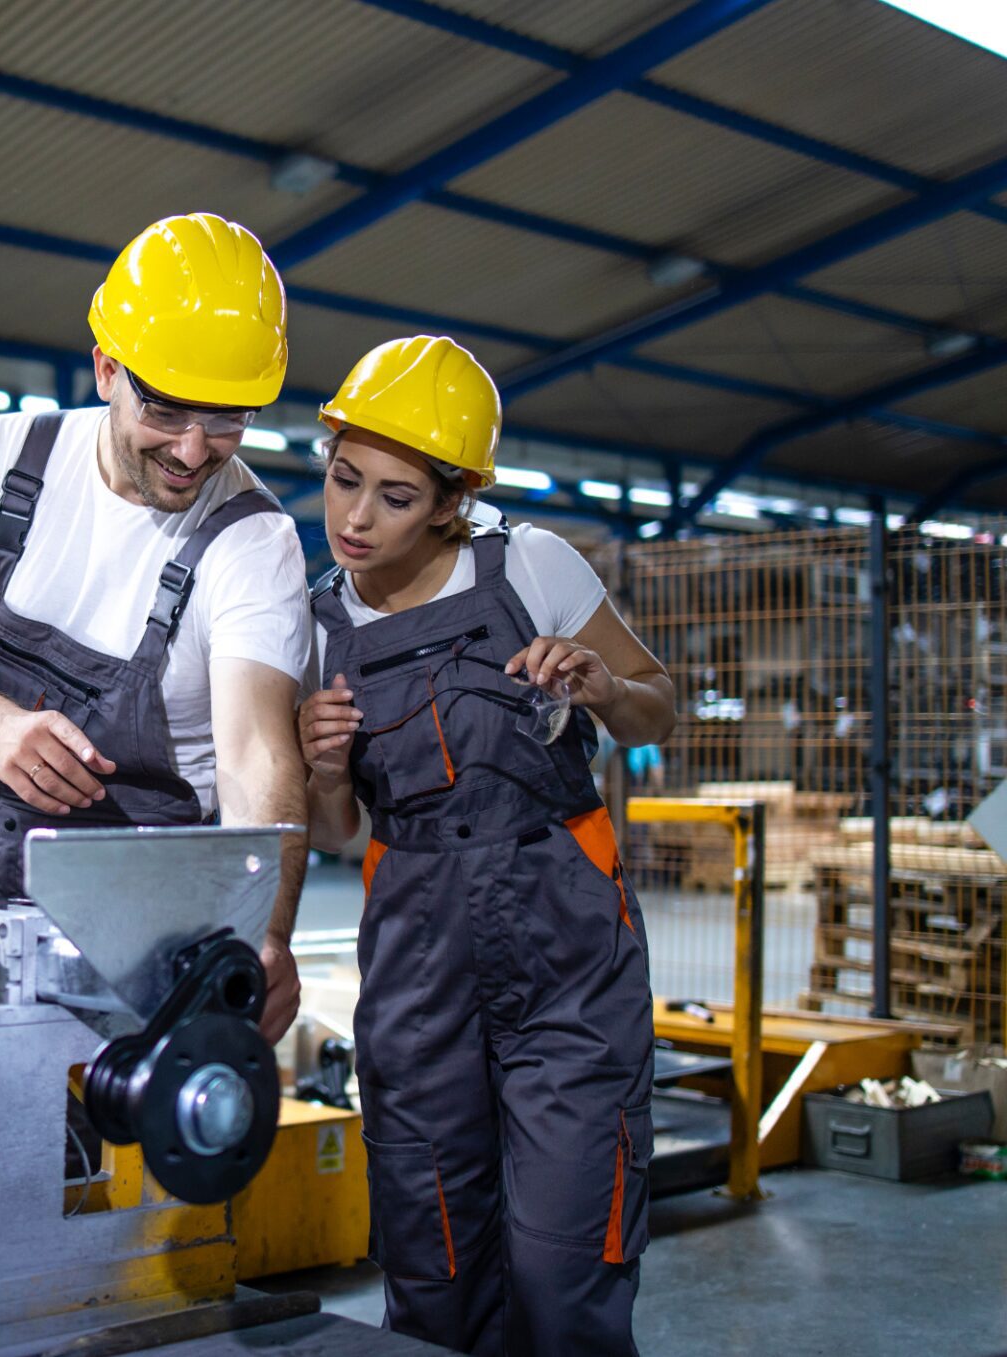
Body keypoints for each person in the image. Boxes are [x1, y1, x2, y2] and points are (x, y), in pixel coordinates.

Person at [295, 336, 677, 1356]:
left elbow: (659, 708)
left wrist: (600, 683)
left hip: (568, 954)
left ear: (455, 499)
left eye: (395, 495)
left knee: (566, 1263)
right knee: (434, 1264)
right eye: (343, 482)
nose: (356, 519)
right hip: (419, 962)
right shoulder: (315, 623)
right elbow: (337, 833)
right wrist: (324, 768)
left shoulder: (531, 566)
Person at [0, 212, 311, 1041]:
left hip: (139, 928)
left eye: (227, 420)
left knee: (99, 1157)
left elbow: (258, 752)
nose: (194, 450)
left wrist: (268, 928)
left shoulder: (255, 542)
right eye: (167, 411)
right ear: (107, 366)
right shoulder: (9, 457)